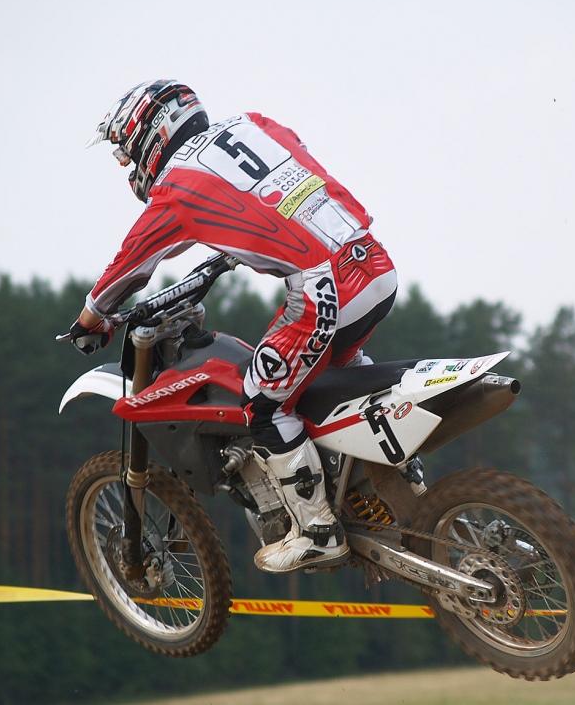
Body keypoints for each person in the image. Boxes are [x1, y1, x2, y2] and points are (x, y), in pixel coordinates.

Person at [69, 80, 398, 573]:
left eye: (127, 153)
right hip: (373, 262)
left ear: (151, 135)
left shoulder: (177, 187)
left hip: (323, 290)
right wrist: (241, 238)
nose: (129, 165)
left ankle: (319, 532)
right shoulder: (254, 124)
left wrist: (90, 317)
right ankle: (386, 481)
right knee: (335, 385)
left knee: (261, 402)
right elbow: (289, 179)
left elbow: (132, 262)